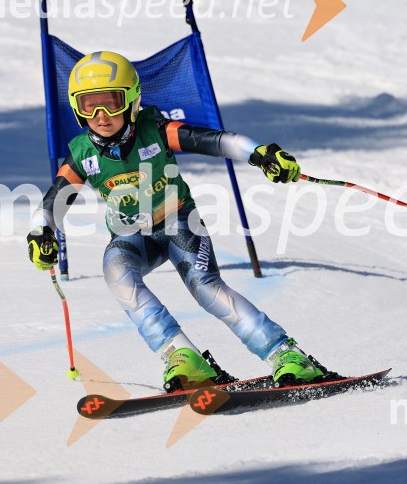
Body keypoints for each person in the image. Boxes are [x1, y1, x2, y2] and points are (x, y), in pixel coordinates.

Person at [26, 50, 332, 392]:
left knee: (205, 286)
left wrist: (259, 153)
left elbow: (213, 140)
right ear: (76, 108)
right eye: (89, 105)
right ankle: (182, 355)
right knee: (116, 271)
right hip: (133, 237)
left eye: (111, 103)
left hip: (180, 224)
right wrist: (41, 232)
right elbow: (55, 199)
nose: (101, 115)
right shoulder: (83, 153)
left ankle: (285, 354)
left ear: (132, 100)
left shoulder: (154, 130)